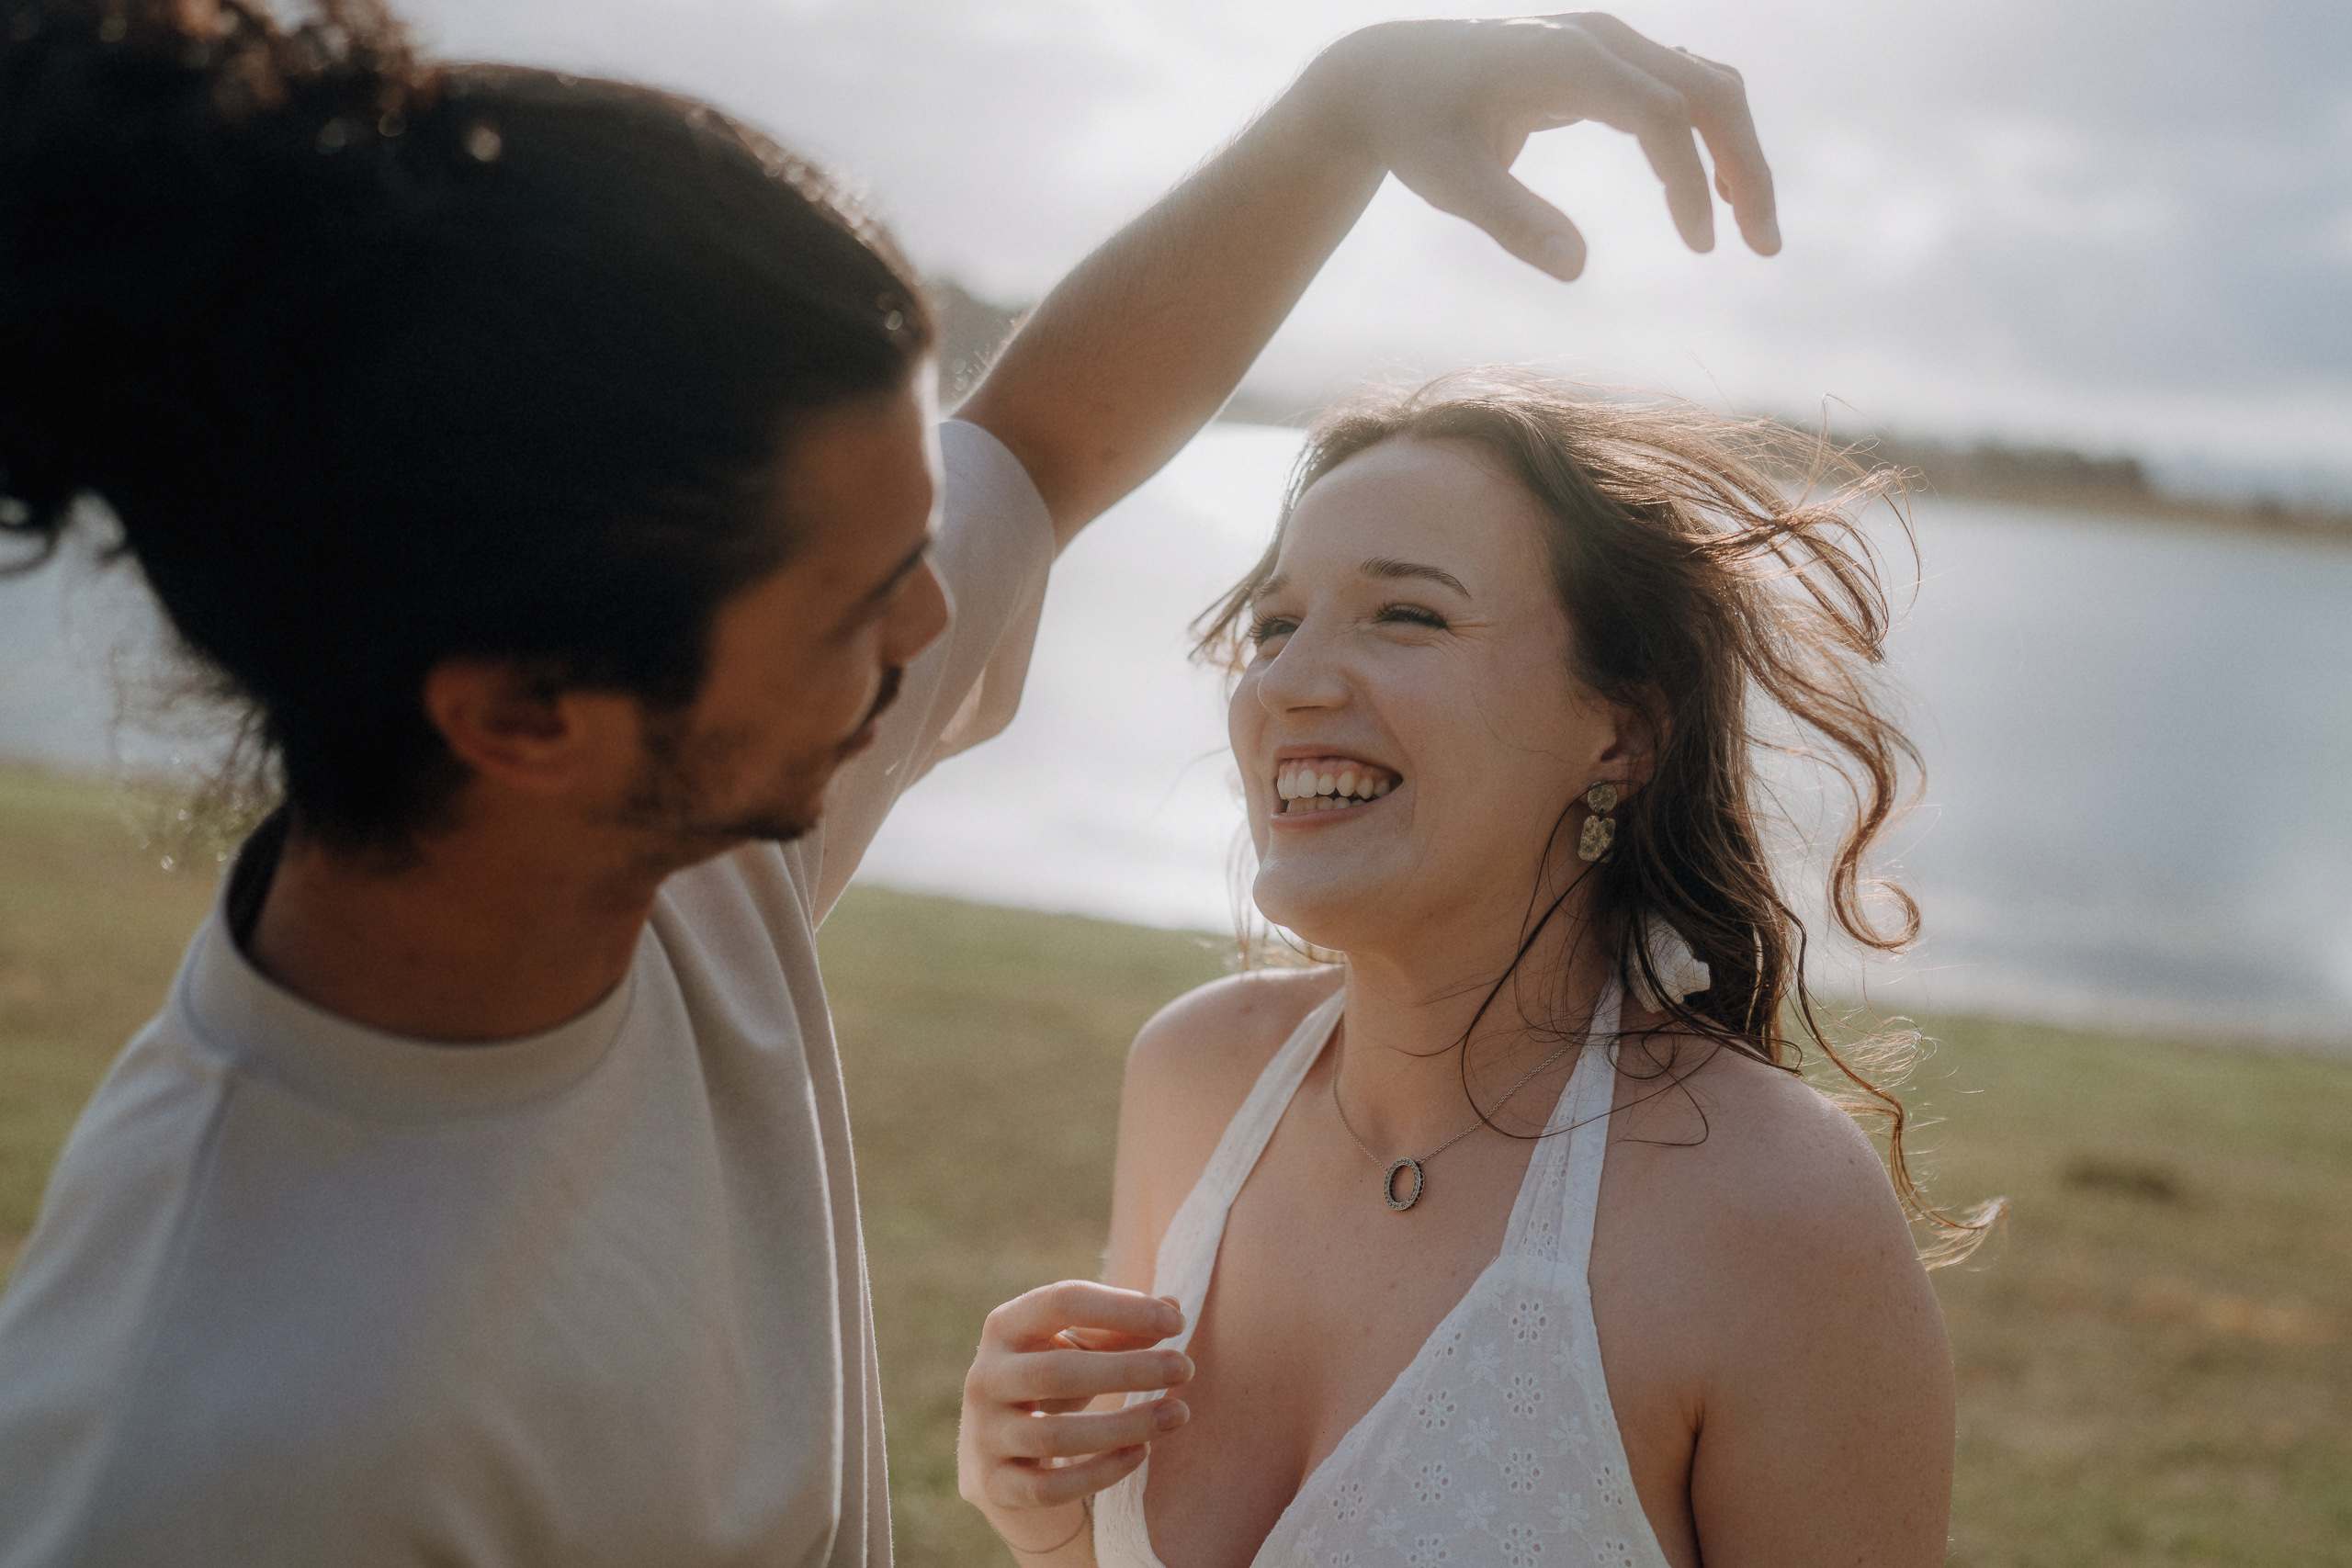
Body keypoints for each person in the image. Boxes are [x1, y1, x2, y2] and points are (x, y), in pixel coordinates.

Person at [0, 3, 1780, 1564]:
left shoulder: (655, 846)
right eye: (862, 598)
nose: (938, 624)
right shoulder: (216, 1453)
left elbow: (1043, 442)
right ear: (529, 711)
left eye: (914, 542)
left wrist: (1343, 104)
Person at [957, 376, 1998, 1566]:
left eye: (1407, 616)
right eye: (1275, 625)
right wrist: (1044, 1525)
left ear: (1623, 733)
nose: (1290, 682)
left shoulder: (1773, 1206)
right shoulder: (1193, 1078)